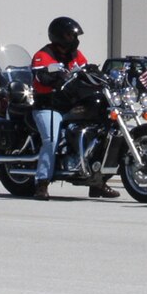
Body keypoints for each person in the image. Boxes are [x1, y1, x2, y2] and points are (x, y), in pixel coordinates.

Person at [31, 16, 114, 199]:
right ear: (59, 36)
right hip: (49, 106)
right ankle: (42, 182)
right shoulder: (43, 55)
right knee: (51, 139)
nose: (75, 40)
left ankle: (97, 182)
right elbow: (41, 77)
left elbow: (86, 71)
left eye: (75, 36)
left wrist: (102, 77)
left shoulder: (77, 55)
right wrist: (56, 77)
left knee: (102, 132)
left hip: (71, 105)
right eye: (70, 36)